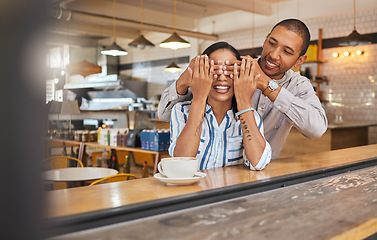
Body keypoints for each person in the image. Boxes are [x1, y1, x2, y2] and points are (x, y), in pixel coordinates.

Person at [159, 19, 328, 159]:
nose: (274, 55)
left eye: (287, 51)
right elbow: (165, 114)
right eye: (272, 43)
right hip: (215, 167)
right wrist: (184, 79)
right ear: (265, 39)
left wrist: (267, 85)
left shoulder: (299, 85)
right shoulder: (235, 69)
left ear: (299, 61)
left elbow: (316, 129)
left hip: (262, 170)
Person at [169, 42, 271, 171]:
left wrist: (244, 102)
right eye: (215, 69)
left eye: (230, 71)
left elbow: (258, 163)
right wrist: (199, 98)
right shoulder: (181, 111)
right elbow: (182, 162)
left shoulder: (251, 117)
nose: (222, 77)